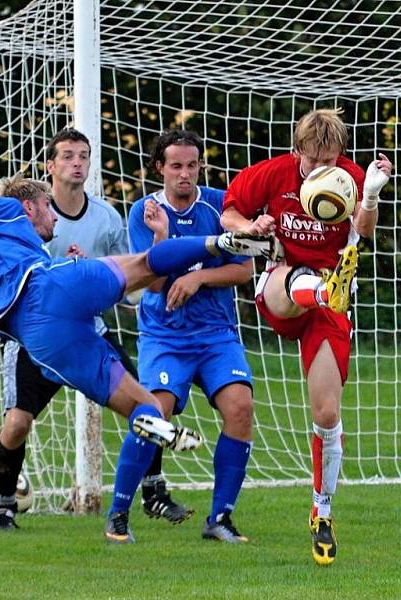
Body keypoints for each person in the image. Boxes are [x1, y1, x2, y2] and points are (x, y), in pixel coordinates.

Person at [0, 174, 275, 543]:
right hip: (46, 293)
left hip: (48, 341)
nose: (54, 217)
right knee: (143, 262)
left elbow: (146, 288)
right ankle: (222, 241)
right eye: (49, 209)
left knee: (145, 408)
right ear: (30, 206)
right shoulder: (7, 211)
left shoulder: (15, 247)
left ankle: (118, 523)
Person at [220, 108, 393, 565]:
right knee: (286, 284)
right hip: (283, 286)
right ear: (298, 150)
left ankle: (322, 511)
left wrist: (371, 195)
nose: (323, 168)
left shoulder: (350, 176)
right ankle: (323, 287)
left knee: (328, 413)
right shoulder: (272, 174)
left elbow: (365, 232)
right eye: (314, 160)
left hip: (329, 309)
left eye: (331, 159)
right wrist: (251, 227)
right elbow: (230, 213)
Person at [0, 128, 141, 534]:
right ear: (51, 165)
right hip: (35, 341)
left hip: (88, 334)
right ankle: (4, 506)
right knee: (17, 423)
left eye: (84, 155)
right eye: (68, 155)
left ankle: (154, 490)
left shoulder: (107, 218)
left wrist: (96, 275)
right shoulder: (25, 215)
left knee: (146, 404)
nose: (78, 163)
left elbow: (122, 277)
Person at [128, 129, 255, 543]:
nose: (185, 173)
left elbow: (244, 270)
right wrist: (163, 239)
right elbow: (149, 284)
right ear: (160, 168)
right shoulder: (143, 212)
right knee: (154, 414)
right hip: (165, 335)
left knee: (240, 407)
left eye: (192, 165)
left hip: (216, 334)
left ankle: (220, 518)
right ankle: (125, 507)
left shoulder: (220, 205)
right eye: (176, 166)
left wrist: (200, 277)